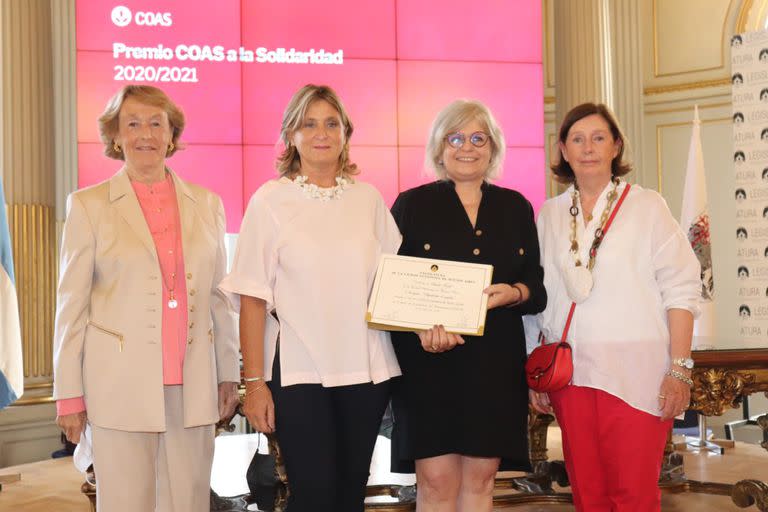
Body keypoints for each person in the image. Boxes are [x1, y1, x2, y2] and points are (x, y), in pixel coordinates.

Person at [53, 85, 240, 512]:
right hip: (118, 387)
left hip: (191, 385)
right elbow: (71, 308)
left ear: (171, 134)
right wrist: (69, 395)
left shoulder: (208, 204)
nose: (146, 134)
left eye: (157, 123)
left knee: (189, 501)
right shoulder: (88, 206)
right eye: (132, 123)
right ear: (115, 136)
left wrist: (228, 374)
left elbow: (219, 300)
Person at [218, 84, 402, 512]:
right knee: (313, 495)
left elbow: (397, 283)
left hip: (366, 372)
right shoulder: (270, 200)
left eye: (332, 123)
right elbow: (252, 299)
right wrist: (254, 385)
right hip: (300, 374)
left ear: (346, 134)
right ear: (291, 136)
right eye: (309, 124)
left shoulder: (368, 199)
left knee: (351, 492)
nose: (322, 133)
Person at [528, 103, 700, 512]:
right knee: (588, 495)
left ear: (616, 146)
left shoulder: (648, 206)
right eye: (577, 139)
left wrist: (679, 370)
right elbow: (539, 301)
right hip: (571, 376)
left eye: (599, 137)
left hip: (636, 374)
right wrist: (533, 370)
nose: (588, 148)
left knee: (633, 495)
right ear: (563, 151)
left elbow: (682, 289)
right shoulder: (549, 215)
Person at [389, 99, 546, 511]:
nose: (467, 147)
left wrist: (514, 293)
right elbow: (388, 289)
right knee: (436, 482)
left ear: (493, 148)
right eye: (455, 138)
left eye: (479, 138)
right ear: (439, 148)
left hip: (494, 365)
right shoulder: (410, 205)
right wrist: (421, 331)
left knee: (482, 481)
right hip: (427, 364)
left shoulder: (516, 207)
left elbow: (536, 287)